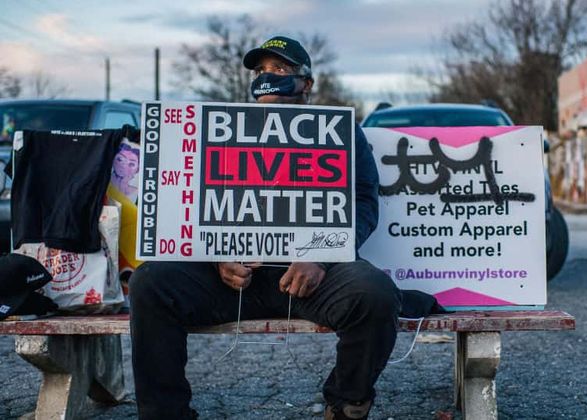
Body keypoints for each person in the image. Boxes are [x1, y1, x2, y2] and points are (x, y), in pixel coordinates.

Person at [129, 35, 401, 420]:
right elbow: (190, 202)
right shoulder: (221, 129)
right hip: (232, 280)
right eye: (261, 71)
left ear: (306, 83)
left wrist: (319, 256)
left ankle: (347, 401)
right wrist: (215, 256)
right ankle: (164, 414)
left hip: (312, 279)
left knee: (376, 293)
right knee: (150, 282)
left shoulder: (342, 132)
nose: (267, 77)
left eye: (281, 70)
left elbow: (364, 202)